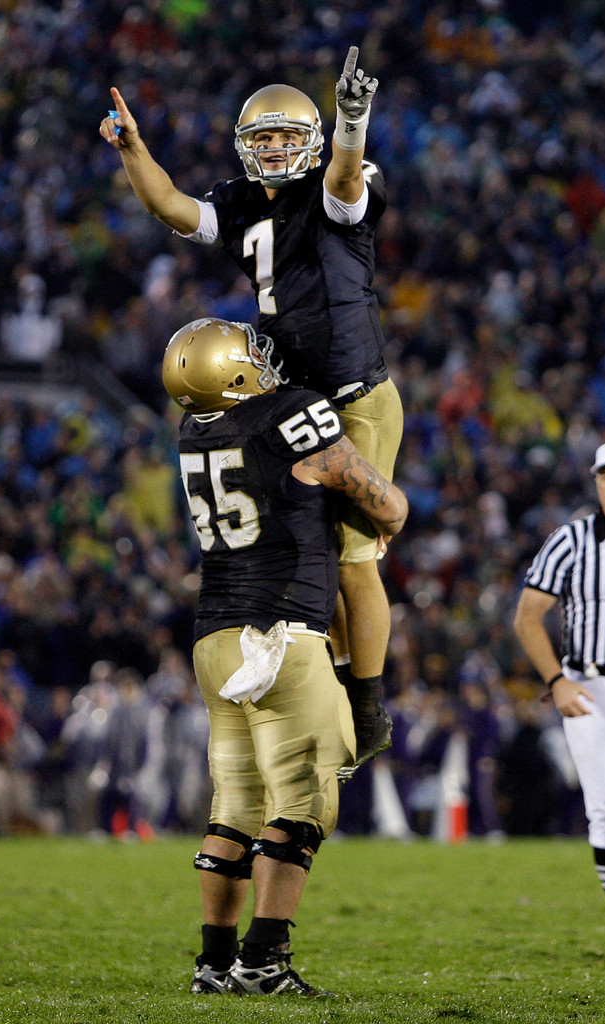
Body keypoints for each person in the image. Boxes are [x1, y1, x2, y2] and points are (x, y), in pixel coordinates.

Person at [100, 46, 404, 771]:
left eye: (283, 136)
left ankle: (368, 700)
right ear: (244, 145)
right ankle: (327, 671)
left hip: (356, 396)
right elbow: (170, 206)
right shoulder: (240, 203)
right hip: (289, 395)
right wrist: (134, 151)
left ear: (308, 140)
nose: (272, 148)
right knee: (307, 552)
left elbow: (343, 181)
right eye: (260, 138)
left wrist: (351, 124)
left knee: (356, 560)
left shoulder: (333, 192)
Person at [161, 317, 407, 995]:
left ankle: (213, 966)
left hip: (214, 635)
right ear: (234, 372)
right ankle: (265, 960)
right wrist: (378, 506)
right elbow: (386, 508)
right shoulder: (292, 413)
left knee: (234, 805)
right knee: (304, 802)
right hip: (284, 634)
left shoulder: (195, 430)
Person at [514, 439, 605, 961]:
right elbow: (527, 617)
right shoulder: (570, 540)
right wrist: (556, 681)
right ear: (597, 482)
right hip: (588, 687)